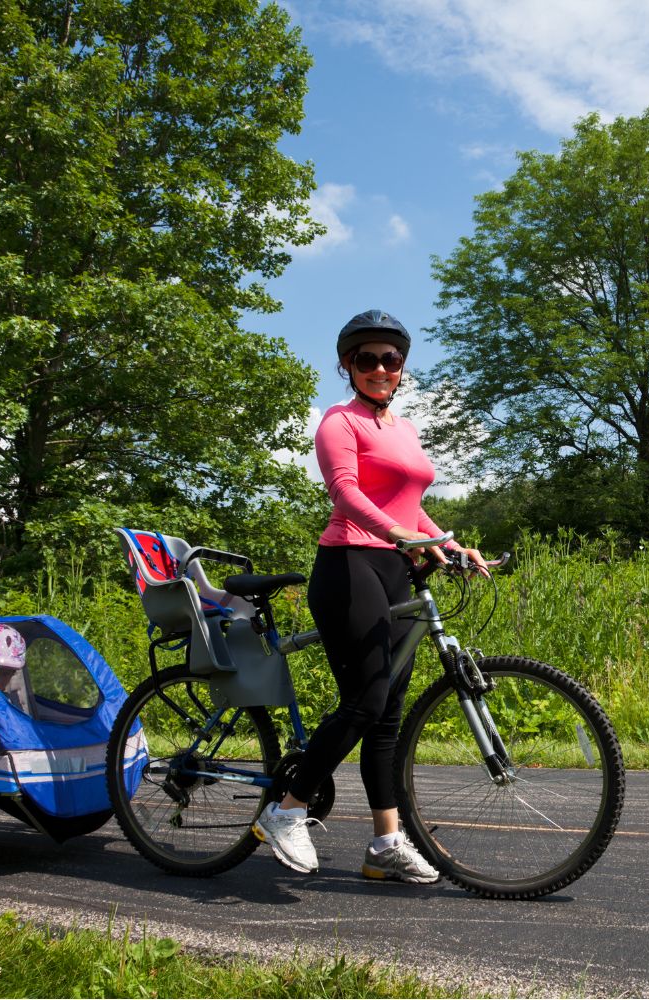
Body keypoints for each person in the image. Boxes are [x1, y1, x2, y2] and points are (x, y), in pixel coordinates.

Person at [251, 309, 489, 883]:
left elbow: (407, 504)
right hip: (349, 563)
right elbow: (347, 494)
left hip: (394, 567)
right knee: (365, 698)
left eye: (391, 359)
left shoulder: (404, 429)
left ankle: (385, 844)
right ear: (348, 366)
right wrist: (401, 535)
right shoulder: (339, 422)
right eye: (367, 359)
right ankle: (286, 811)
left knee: (387, 715)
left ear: (402, 367)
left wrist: (447, 542)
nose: (380, 368)